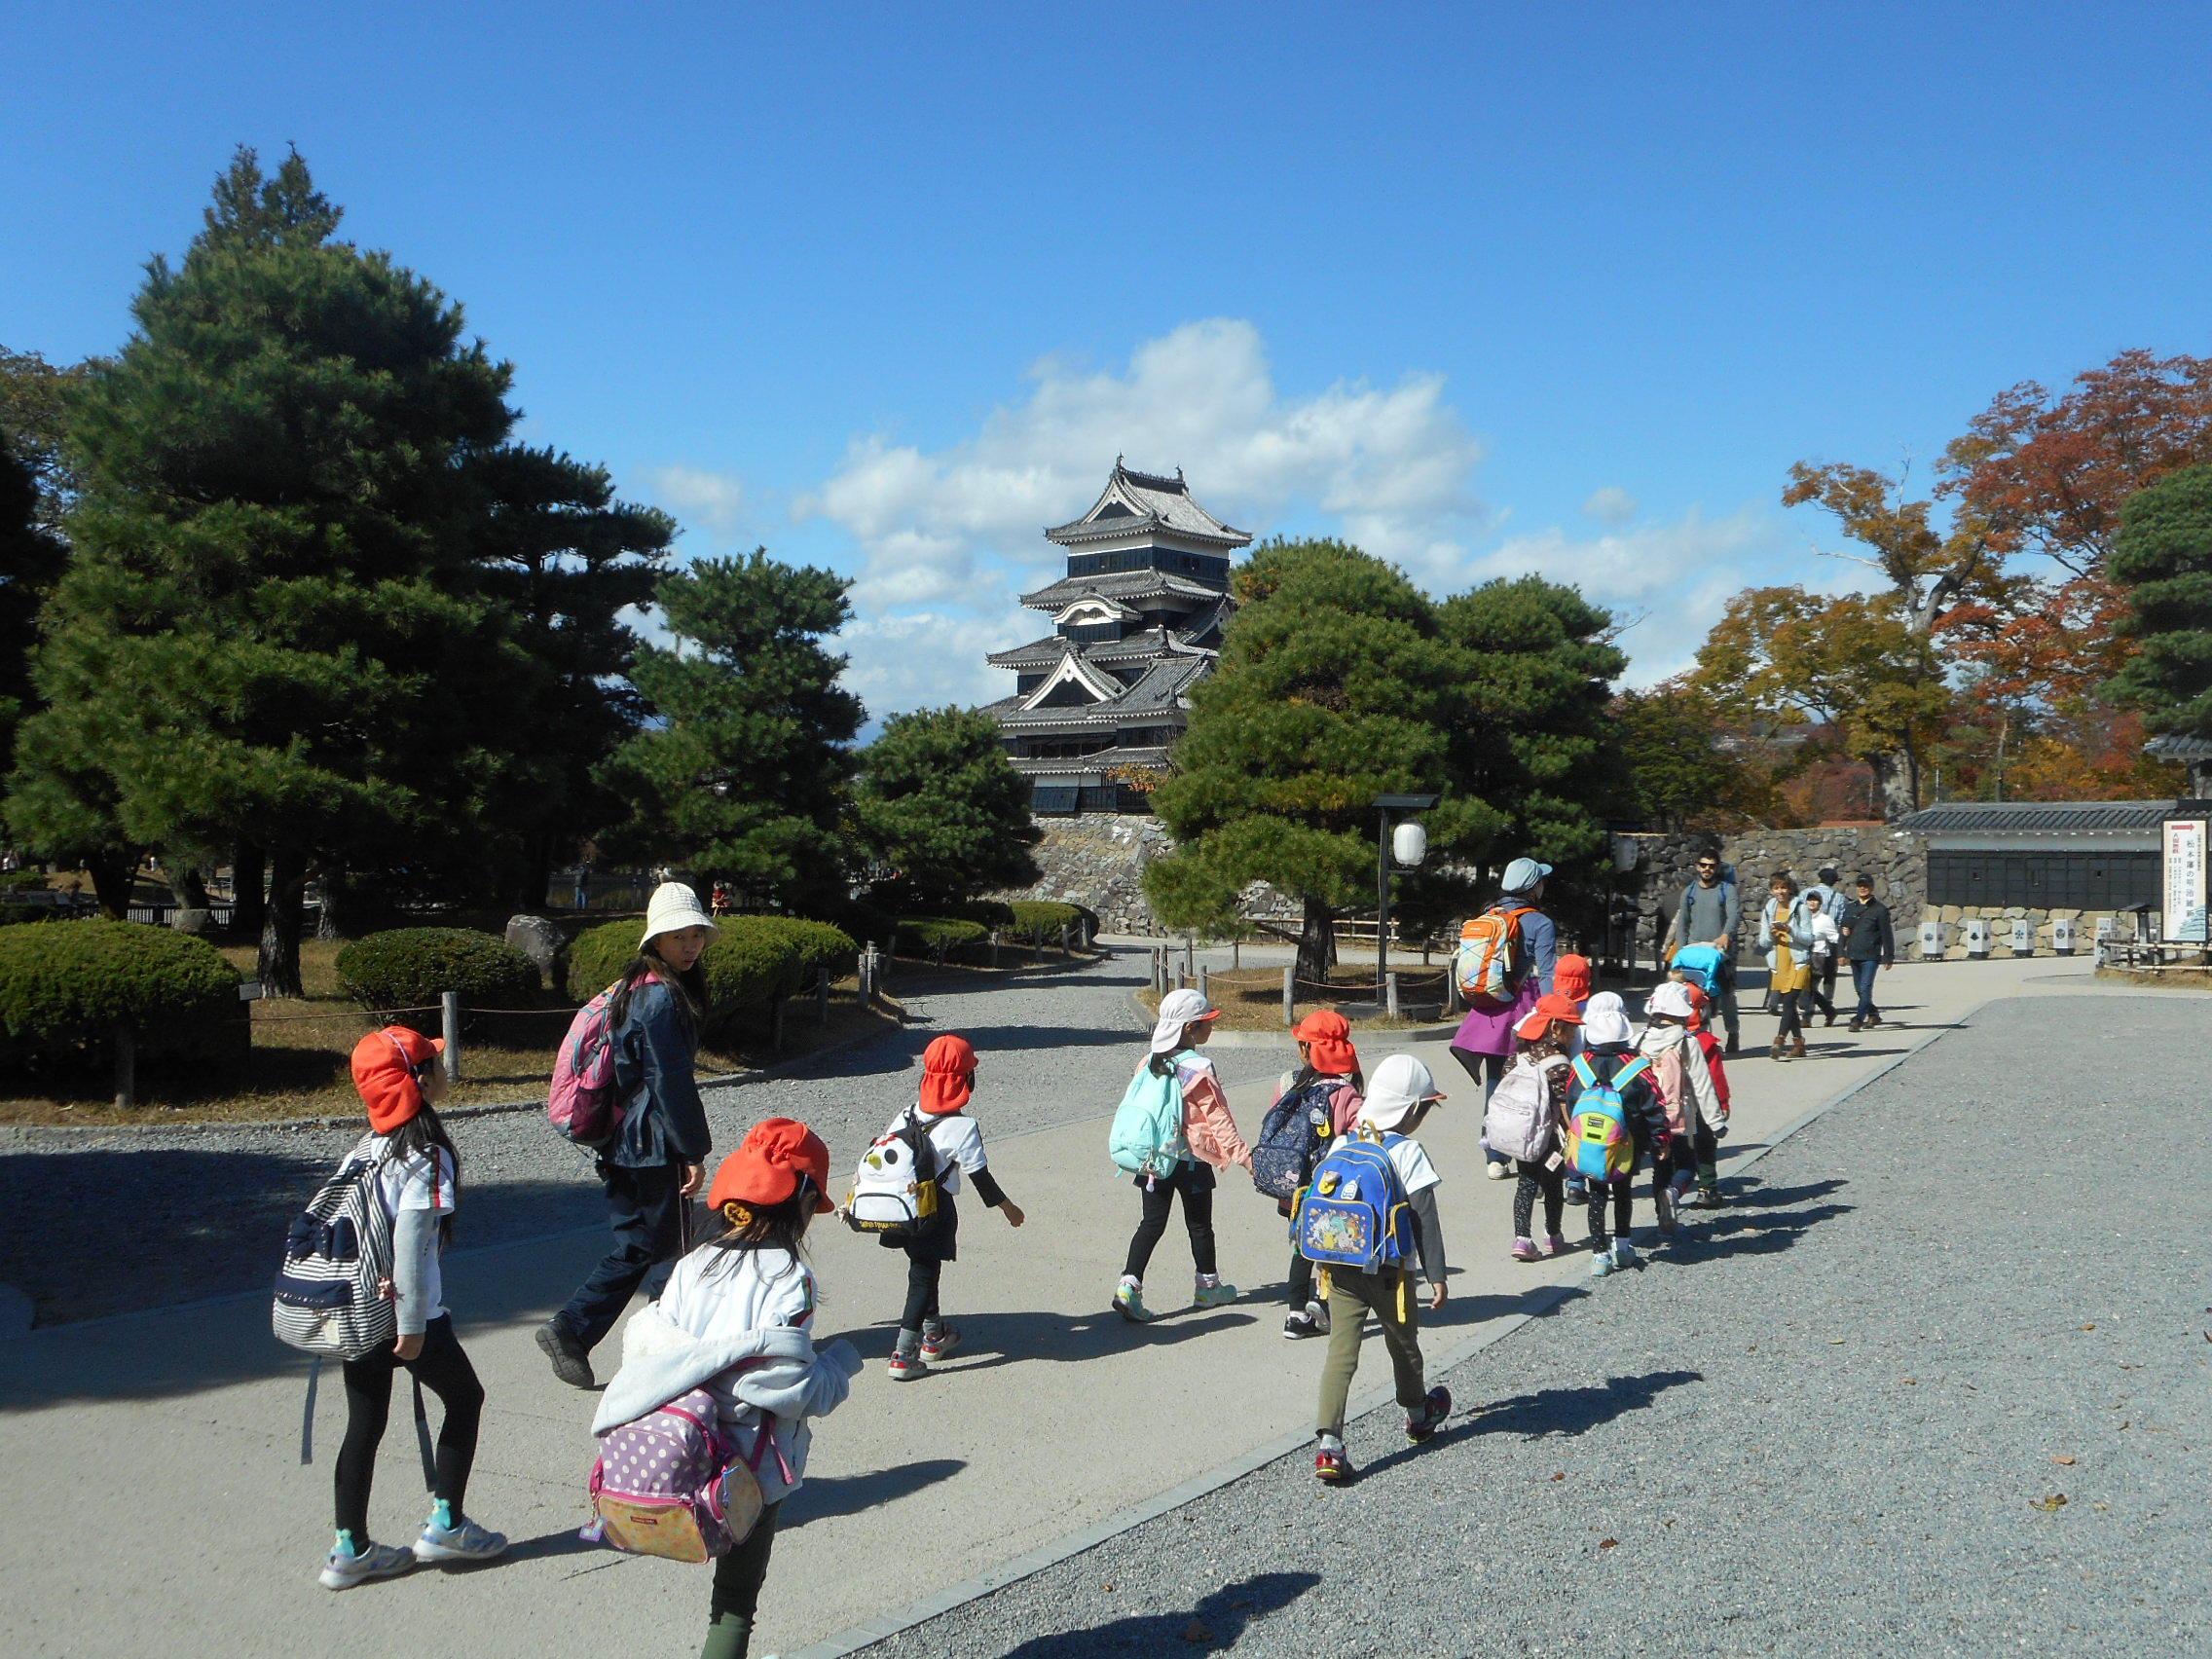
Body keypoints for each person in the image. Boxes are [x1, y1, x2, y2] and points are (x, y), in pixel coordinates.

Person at [594, 1119, 862, 1659]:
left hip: (681, 1452)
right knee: (735, 1604)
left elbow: (655, 1347)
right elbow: (787, 1385)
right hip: (747, 1468)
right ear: (801, 1199)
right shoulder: (789, 1276)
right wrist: (840, 1366)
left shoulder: (693, 1264)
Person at [320, 1027, 506, 1590]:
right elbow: (411, 1240)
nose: (446, 1071)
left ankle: (349, 1548)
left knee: (364, 1424)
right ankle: (446, 1523)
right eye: (435, 1063)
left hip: (359, 1307)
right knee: (465, 1399)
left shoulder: (367, 1148)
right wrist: (411, 1325)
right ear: (420, 1081)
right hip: (410, 1313)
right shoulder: (424, 1153)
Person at [538, 881, 717, 1389]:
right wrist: (693, 1150)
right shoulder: (659, 999)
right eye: (679, 936)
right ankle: (618, 1340)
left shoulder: (637, 986)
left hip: (621, 1139)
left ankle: (576, 1332)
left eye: (697, 935)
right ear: (656, 940)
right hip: (648, 1144)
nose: (690, 946)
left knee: (641, 1246)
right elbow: (669, 1080)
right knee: (661, 1249)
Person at [1312, 1054, 1452, 1483]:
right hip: (1392, 1273)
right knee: (1403, 1345)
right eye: (1424, 1109)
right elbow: (1424, 1217)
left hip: (1340, 1267)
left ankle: (1329, 1447)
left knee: (1341, 1354)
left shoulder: (1343, 1144)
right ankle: (1417, 1415)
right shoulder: (1407, 1151)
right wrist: (1438, 1276)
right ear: (1409, 1110)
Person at [883, 1034, 1026, 1382]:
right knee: (922, 1277)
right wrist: (1010, 1209)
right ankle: (903, 1355)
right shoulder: (963, 1127)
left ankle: (934, 1336)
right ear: (966, 1080)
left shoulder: (906, 1115)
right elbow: (982, 1180)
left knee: (924, 1269)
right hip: (935, 1209)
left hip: (901, 1207)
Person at [1115, 988, 1252, 1323]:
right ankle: (1208, 1288)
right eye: (1206, 1022)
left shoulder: (1148, 1061)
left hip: (1152, 1162)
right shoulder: (1199, 1067)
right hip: (1190, 1161)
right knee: (1200, 1225)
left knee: (1150, 1224)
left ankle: (1128, 1286)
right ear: (1189, 1029)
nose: (1211, 1027)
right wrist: (1247, 1159)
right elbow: (1218, 1119)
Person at [1449, 856, 1559, 1178]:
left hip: (1490, 1007)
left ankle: (1494, 1156)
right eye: (1541, 880)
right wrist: (1553, 1014)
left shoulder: (1491, 914)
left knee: (1496, 1082)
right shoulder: (1540, 922)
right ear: (1532, 887)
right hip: (1525, 1006)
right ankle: (1531, 1150)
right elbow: (1548, 972)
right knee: (1535, 1081)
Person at [1272, 1010, 1365, 1340]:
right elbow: (1360, 1141)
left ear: (1305, 1049)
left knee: (1301, 1247)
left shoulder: (1288, 1084)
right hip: (1332, 1189)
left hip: (1293, 1187)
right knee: (1332, 1247)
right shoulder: (1347, 1093)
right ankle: (1324, 1305)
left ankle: (1294, 1314)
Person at [1574, 991, 1666, 1276]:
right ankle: (1623, 1246)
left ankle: (1599, 1254)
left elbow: (1570, 1103)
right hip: (1627, 1141)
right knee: (1622, 1192)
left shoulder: (1580, 1065)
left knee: (1597, 1193)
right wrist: (1660, 1140)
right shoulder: (1637, 1066)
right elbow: (1655, 1106)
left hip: (1590, 1142)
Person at [1639, 980, 1726, 1220]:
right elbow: (1702, 1084)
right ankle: (1674, 1194)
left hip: (1647, 1115)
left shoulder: (1640, 1040)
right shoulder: (1687, 1042)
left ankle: (1661, 1216)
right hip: (1678, 1115)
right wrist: (1716, 1122)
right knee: (1687, 1164)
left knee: (1660, 1165)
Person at [1507, 993, 1581, 1262]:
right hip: (1550, 1140)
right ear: (1555, 1027)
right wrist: (1574, 1133)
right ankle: (1553, 1235)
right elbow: (1563, 1105)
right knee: (1552, 1184)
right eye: (1571, 1029)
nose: (1573, 1037)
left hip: (1521, 1134)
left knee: (1526, 1184)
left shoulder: (1519, 1056)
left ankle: (1522, 1238)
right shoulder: (1558, 1064)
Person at [1671, 853, 1743, 1052]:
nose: (1707, 869)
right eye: (1703, 865)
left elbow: (1733, 915)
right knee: (1694, 995)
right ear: (1697, 866)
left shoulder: (1727, 890)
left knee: (1727, 993)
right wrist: (1681, 948)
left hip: (1720, 951)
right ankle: (1697, 1036)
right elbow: (1683, 922)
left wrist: (1726, 934)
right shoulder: (1689, 892)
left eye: (1711, 866)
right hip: (1694, 951)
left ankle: (1733, 1032)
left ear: (1717, 867)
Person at [1839, 874, 1897, 1031]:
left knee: (1865, 988)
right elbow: (1843, 930)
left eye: (1866, 885)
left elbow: (1887, 934)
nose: (1863, 888)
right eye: (1860, 885)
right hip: (1854, 954)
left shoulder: (1879, 909)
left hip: (1871, 955)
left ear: (1871, 888)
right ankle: (1873, 1014)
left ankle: (1858, 1019)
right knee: (1859, 989)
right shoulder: (1851, 907)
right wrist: (1841, 953)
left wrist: (1888, 956)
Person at [1767, 876, 1809, 1060]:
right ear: (1772, 890)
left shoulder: (1801, 908)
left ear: (1790, 889)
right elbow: (1763, 941)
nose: (1780, 892)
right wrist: (1770, 935)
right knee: (1788, 1004)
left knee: (1789, 1002)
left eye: (1783, 888)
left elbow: (1809, 938)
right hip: (1780, 961)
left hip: (1798, 961)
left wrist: (1790, 930)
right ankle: (1799, 1043)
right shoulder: (1769, 909)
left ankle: (1779, 1040)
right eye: (1776, 888)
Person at [1796, 889, 1842, 1026]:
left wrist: (1842, 952)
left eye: (1815, 900)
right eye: (1809, 900)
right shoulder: (1800, 918)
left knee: (1810, 987)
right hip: (1803, 956)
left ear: (1820, 903)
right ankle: (1829, 1011)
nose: (1812, 902)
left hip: (1819, 956)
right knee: (1807, 988)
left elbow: (1835, 937)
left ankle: (1807, 1018)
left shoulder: (1825, 920)